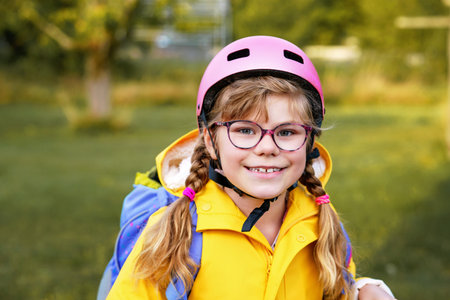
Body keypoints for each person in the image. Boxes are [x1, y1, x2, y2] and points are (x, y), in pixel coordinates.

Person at [106, 36, 396, 300]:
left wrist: (362, 291)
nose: (267, 147)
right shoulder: (177, 233)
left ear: (310, 141)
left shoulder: (320, 223)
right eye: (244, 130)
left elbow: (334, 288)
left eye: (286, 132)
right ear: (209, 139)